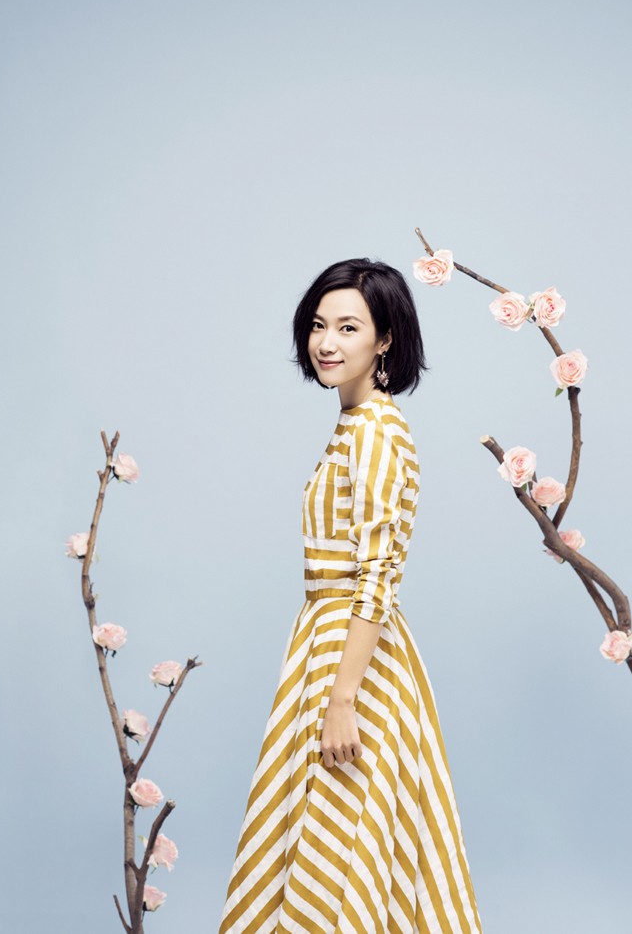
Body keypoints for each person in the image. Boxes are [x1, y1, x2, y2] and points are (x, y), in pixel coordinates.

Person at [218, 258, 483, 933]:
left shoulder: (374, 431)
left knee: (340, 841)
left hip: (353, 658)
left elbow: (378, 574)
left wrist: (342, 700)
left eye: (347, 327)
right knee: (336, 840)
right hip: (330, 645)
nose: (326, 342)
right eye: (318, 325)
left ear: (385, 338)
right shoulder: (358, 422)